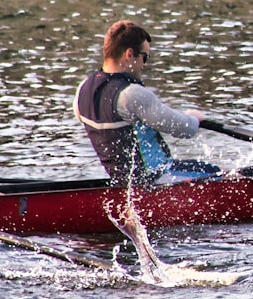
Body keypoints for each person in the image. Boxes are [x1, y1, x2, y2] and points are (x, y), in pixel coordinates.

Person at [74, 20, 220, 186]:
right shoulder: (131, 94)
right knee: (213, 172)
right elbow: (184, 129)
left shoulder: (83, 89)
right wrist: (194, 118)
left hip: (122, 182)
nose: (144, 64)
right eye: (144, 57)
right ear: (129, 54)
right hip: (154, 179)